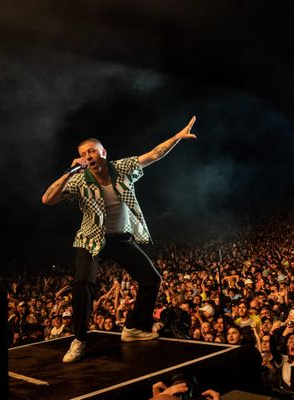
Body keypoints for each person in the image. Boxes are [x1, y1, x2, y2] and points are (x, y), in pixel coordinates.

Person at [42, 116, 197, 363]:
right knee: (84, 282)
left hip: (119, 238)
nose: (88, 155)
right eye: (83, 153)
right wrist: (69, 173)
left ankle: (134, 328)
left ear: (103, 152)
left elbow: (154, 155)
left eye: (91, 150)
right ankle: (79, 340)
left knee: (151, 278)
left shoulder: (122, 168)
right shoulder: (79, 180)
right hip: (90, 240)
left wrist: (177, 138)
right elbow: (48, 200)